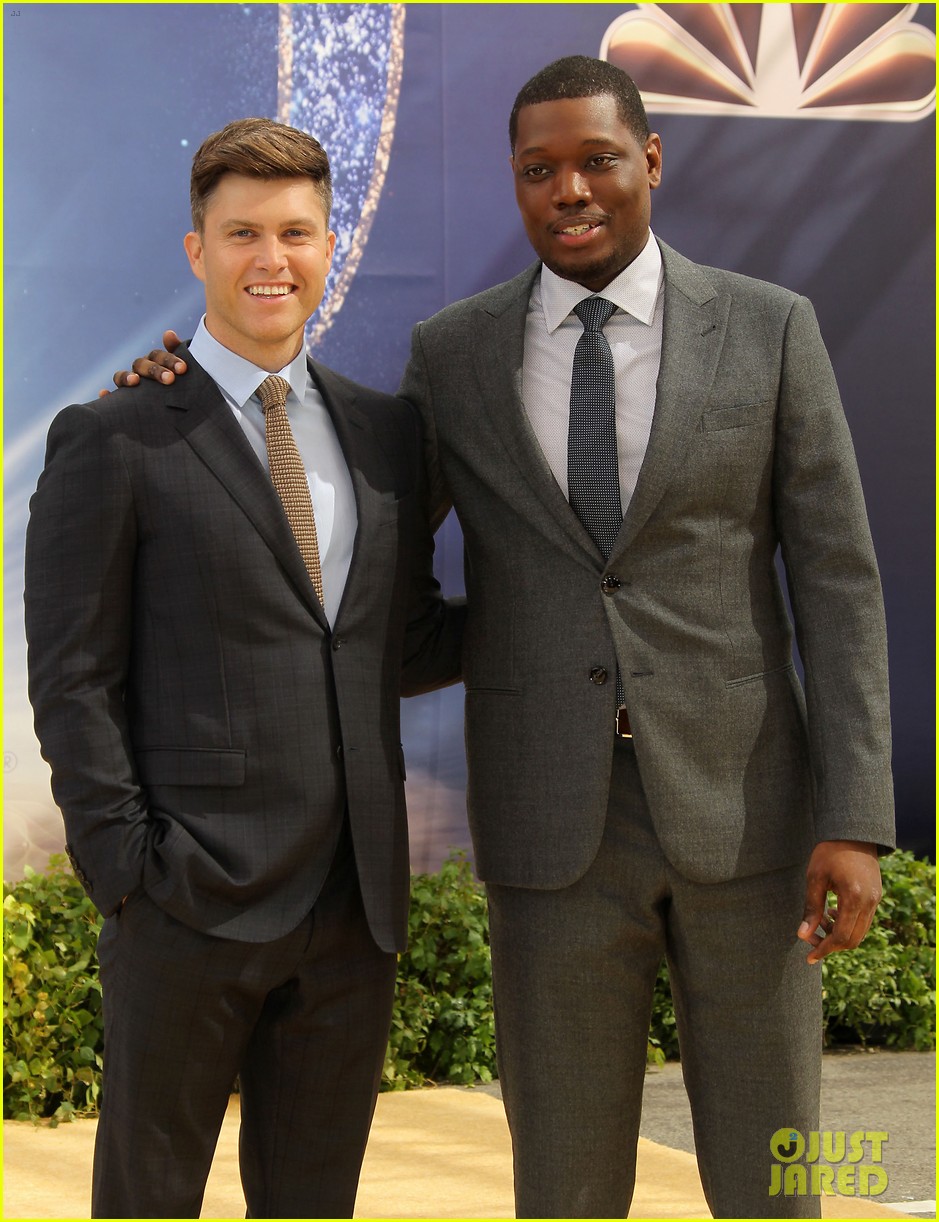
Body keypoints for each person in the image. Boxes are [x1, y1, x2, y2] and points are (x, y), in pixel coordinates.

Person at [116, 58, 895, 1220]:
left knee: (776, 1171)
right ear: (516, 185)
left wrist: (855, 817)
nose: (570, 188)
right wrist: (191, 399)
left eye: (597, 161)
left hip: (749, 813)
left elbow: (836, 582)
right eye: (540, 170)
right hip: (550, 832)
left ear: (651, 164)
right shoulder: (457, 355)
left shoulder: (772, 331)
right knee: (564, 1186)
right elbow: (356, 548)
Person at [24, 117, 463, 1220]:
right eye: (242, 232)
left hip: (353, 908)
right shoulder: (114, 436)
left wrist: (577, 616)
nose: (273, 257)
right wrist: (125, 869)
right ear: (196, 250)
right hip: (186, 901)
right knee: (149, 1199)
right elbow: (72, 677)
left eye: (296, 231)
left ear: (327, 243)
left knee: (315, 1203)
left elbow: (393, 641)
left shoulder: (388, 435)